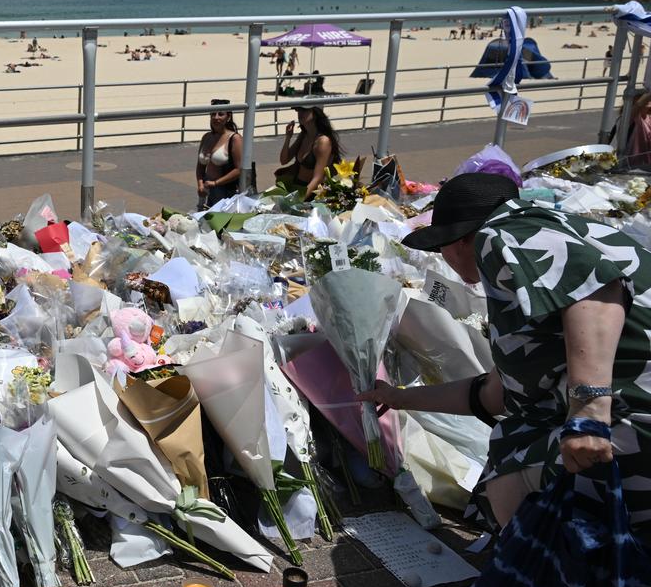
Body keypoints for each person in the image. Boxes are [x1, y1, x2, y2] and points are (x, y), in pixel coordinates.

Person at [360, 172, 651, 553]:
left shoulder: (500, 233)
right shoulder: (559, 231)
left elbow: (595, 287)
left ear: (463, 239)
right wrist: (400, 398)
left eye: (442, 246)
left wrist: (588, 412)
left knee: (510, 468)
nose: (443, 258)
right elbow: (494, 394)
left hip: (634, 422)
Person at [275, 105, 341, 200]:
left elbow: (318, 178)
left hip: (313, 192)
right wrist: (288, 137)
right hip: (297, 186)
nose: (300, 113)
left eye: (304, 110)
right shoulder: (304, 135)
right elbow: (284, 160)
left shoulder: (323, 141)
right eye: (298, 110)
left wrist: (300, 200)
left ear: (315, 113)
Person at [195, 99, 243, 210]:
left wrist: (216, 183)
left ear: (228, 117)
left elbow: (238, 169)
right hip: (206, 190)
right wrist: (200, 184)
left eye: (221, 114)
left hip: (225, 191)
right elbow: (200, 166)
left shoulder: (235, 138)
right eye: (213, 114)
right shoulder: (206, 137)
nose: (216, 117)